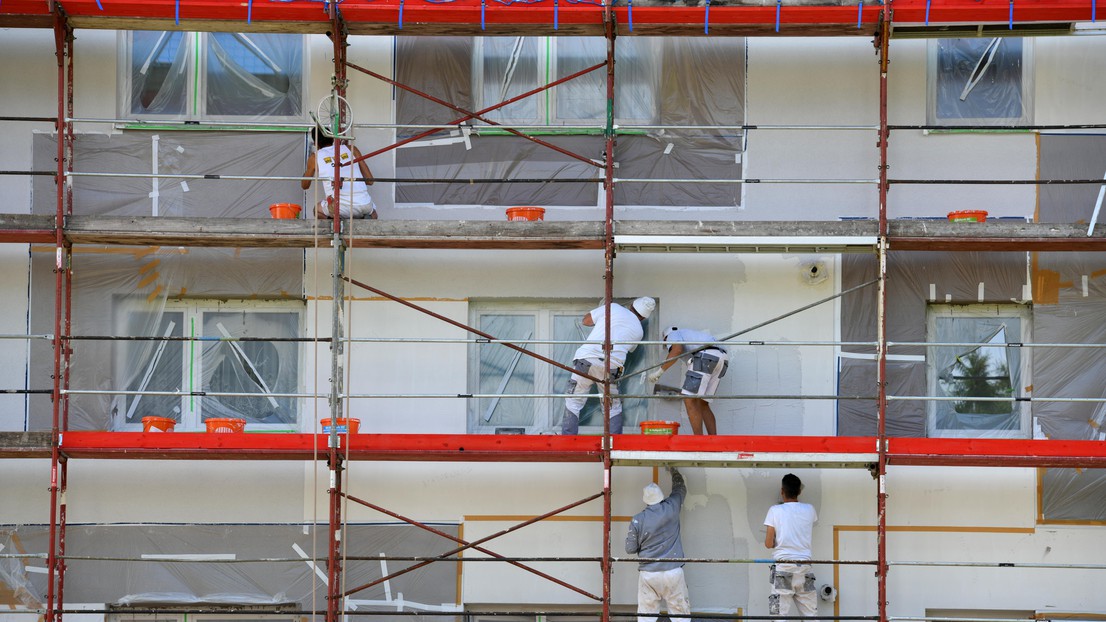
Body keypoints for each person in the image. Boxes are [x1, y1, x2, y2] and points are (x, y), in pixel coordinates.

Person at [561, 297, 655, 435]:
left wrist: (602, 312)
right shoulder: (639, 331)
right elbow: (629, 349)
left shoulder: (613, 308)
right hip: (612, 367)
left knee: (574, 401)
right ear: (643, 318)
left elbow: (586, 321)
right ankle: (614, 443)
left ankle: (568, 440)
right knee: (613, 406)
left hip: (587, 360)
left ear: (631, 305)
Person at [625, 467, 690, 622]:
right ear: (661, 496)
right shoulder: (672, 507)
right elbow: (680, 489)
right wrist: (674, 471)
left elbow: (630, 549)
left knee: (646, 617)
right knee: (680, 615)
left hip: (649, 574)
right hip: (673, 571)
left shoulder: (637, 519)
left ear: (645, 499)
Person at [646, 326, 729, 435]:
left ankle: (698, 440)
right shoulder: (687, 336)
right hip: (721, 359)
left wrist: (659, 372)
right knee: (702, 403)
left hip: (705, 356)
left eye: (666, 345)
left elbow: (676, 350)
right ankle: (712, 440)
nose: (668, 347)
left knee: (689, 399)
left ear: (665, 338)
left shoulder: (672, 335)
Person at [763, 473, 818, 617]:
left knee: (778, 616)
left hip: (783, 569)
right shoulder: (810, 510)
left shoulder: (775, 510)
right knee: (811, 616)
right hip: (805, 569)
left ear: (782, 491)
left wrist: (778, 540)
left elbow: (768, 544)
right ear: (800, 491)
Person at [302, 130, 377, 219]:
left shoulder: (315, 157)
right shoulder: (351, 149)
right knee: (373, 213)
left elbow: (305, 185)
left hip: (339, 208)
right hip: (364, 204)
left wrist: (307, 172)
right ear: (333, 139)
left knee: (317, 210)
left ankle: (336, 223)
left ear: (315, 143)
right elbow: (370, 181)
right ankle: (368, 216)